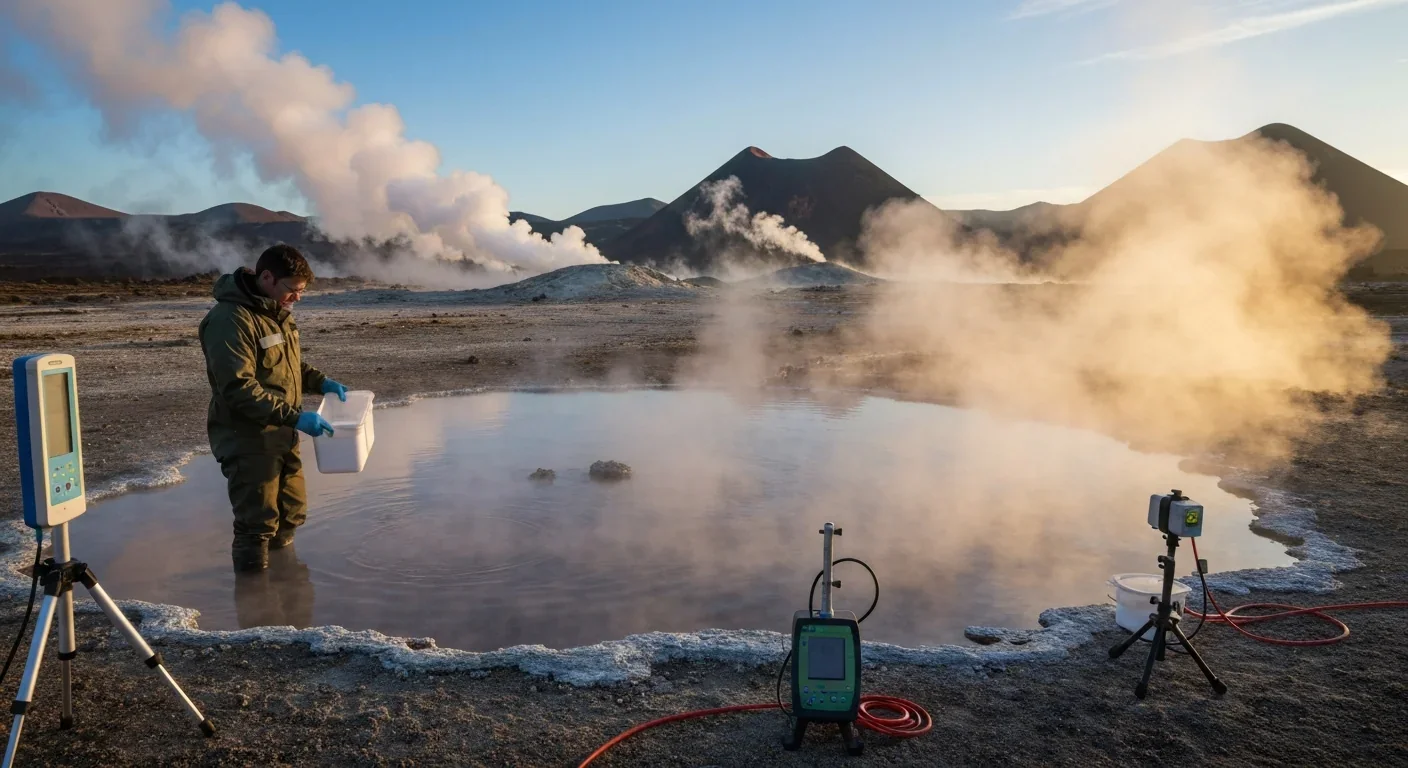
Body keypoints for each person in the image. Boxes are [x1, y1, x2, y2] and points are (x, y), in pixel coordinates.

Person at [198, 244, 349, 572]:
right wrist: (295, 417)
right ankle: (254, 609)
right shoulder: (230, 320)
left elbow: (289, 365)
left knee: (291, 512)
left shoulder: (274, 314)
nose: (297, 298)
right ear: (267, 277)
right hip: (249, 440)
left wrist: (320, 382)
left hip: (282, 436)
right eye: (293, 290)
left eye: (302, 291)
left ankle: (287, 594)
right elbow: (238, 388)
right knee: (257, 523)